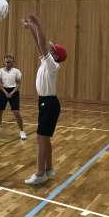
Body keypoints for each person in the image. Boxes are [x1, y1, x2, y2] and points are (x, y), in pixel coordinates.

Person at [23, 14, 67, 185]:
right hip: (46, 103)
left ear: (55, 56)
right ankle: (48, 169)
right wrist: (31, 28)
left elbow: (42, 44)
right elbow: (38, 44)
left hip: (49, 103)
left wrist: (37, 23)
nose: (49, 50)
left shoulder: (52, 65)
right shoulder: (47, 62)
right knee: (44, 138)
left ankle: (40, 174)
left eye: (52, 50)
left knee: (41, 138)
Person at [0, 54, 26, 140]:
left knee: (16, 112)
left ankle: (22, 131)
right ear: (4, 62)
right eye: (6, 62)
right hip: (3, 91)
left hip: (14, 92)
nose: (7, 63)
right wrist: (5, 92)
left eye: (9, 62)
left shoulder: (17, 71)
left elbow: (18, 84)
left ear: (13, 62)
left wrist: (12, 92)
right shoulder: (0, 71)